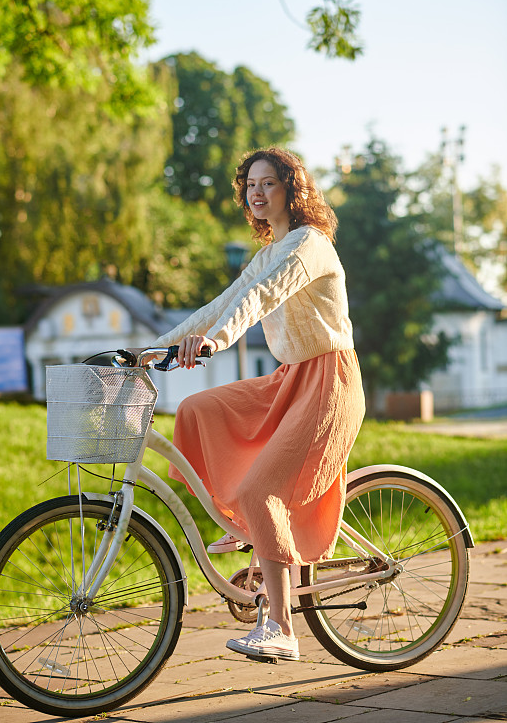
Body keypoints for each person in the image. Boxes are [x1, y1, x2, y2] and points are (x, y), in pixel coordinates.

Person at [141, 147, 365, 662]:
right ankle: (241, 527)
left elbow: (259, 300)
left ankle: (282, 627)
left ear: (293, 188)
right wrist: (151, 350)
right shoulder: (267, 253)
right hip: (288, 378)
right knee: (198, 409)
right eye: (250, 185)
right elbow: (220, 304)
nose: (257, 193)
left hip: (329, 379)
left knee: (263, 489)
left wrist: (218, 340)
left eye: (269, 182)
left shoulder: (309, 245)